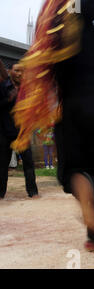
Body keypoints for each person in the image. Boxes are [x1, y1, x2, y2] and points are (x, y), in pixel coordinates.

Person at [12, 0, 94, 251]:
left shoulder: (53, 30)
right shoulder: (80, 15)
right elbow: (90, 5)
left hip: (70, 109)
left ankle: (86, 195)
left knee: (75, 168)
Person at [0, 61, 39, 199]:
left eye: (22, 71)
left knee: (28, 162)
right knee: (2, 165)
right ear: (10, 71)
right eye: (17, 70)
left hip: (22, 132)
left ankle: (33, 192)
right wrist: (9, 99)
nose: (20, 73)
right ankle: (1, 193)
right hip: (4, 131)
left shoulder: (27, 89)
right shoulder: (3, 86)